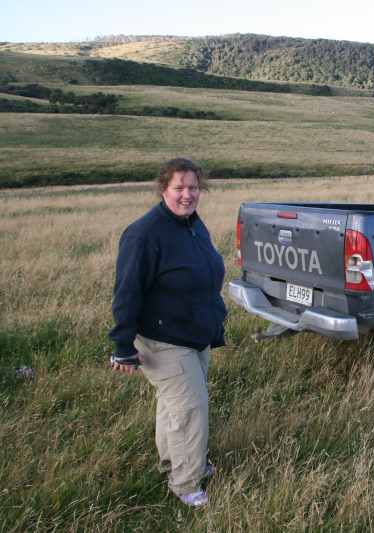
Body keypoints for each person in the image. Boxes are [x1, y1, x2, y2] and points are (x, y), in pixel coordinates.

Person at [108, 158, 227, 508]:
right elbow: (127, 291)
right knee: (191, 409)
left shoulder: (191, 224)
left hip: (193, 333)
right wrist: (121, 345)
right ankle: (186, 483)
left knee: (175, 406)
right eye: (179, 187)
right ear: (163, 189)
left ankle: (172, 462)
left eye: (193, 188)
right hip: (163, 339)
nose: (187, 195)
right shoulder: (144, 233)